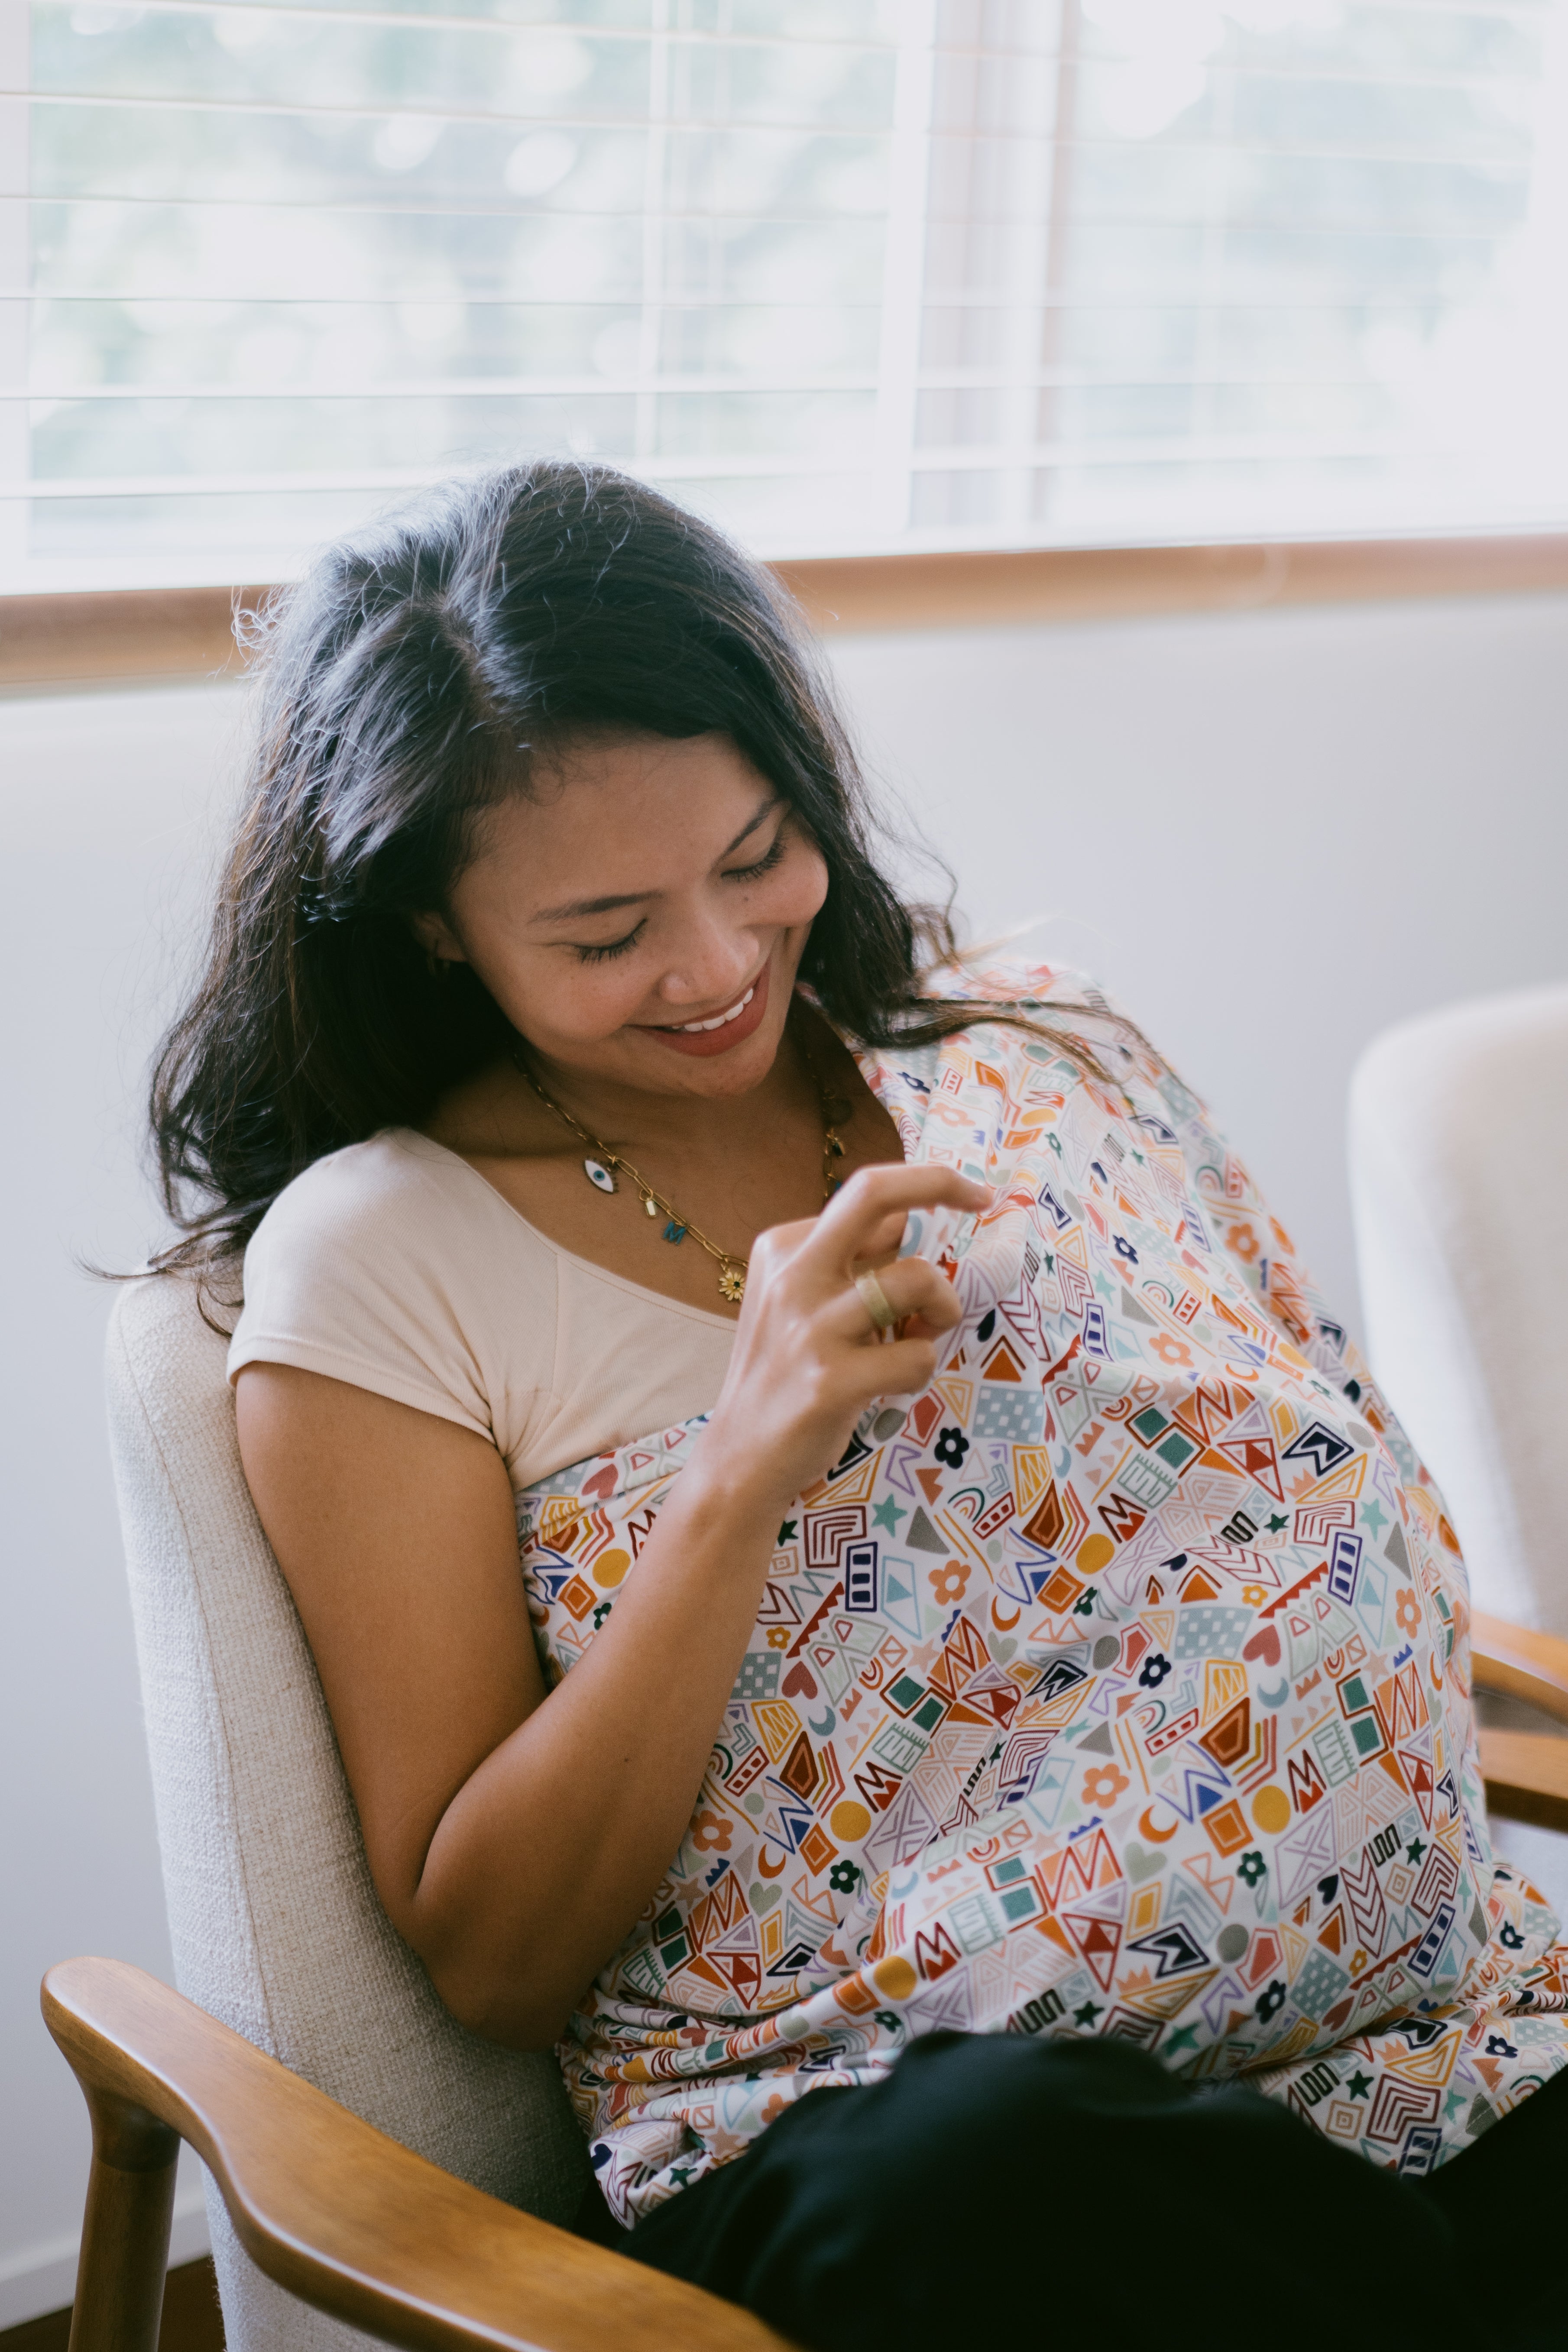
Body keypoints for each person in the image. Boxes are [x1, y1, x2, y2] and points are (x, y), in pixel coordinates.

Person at [150, 462, 1568, 2351]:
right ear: (428, 924)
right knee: (993, 2183)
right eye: (603, 933)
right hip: (900, 2126)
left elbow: (1322, 1464)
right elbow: (488, 1941)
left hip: (1424, 2044)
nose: (720, 963)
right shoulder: (384, 1262)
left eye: (753, 858)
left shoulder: (1027, 1051)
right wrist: (743, 1465)